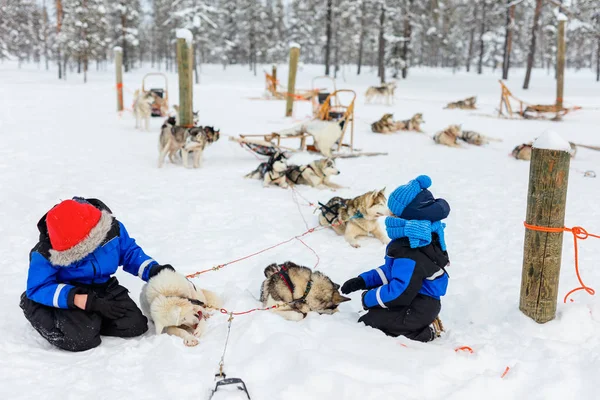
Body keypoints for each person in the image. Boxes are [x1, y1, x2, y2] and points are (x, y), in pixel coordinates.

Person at [20, 197, 174, 352]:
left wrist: (153, 270)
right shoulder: (45, 252)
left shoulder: (111, 229)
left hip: (103, 287)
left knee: (135, 325)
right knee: (81, 340)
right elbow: (39, 286)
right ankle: (33, 306)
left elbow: (129, 254)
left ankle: (90, 321)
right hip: (70, 293)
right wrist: (80, 300)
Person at [341, 175, 450, 342]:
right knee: (374, 314)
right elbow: (392, 271)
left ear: (406, 217)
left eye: (393, 213)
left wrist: (368, 298)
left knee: (370, 322)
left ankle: (428, 330)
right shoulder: (411, 239)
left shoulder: (411, 249)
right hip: (415, 297)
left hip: (421, 306)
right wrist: (362, 281)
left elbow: (401, 292)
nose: (389, 216)